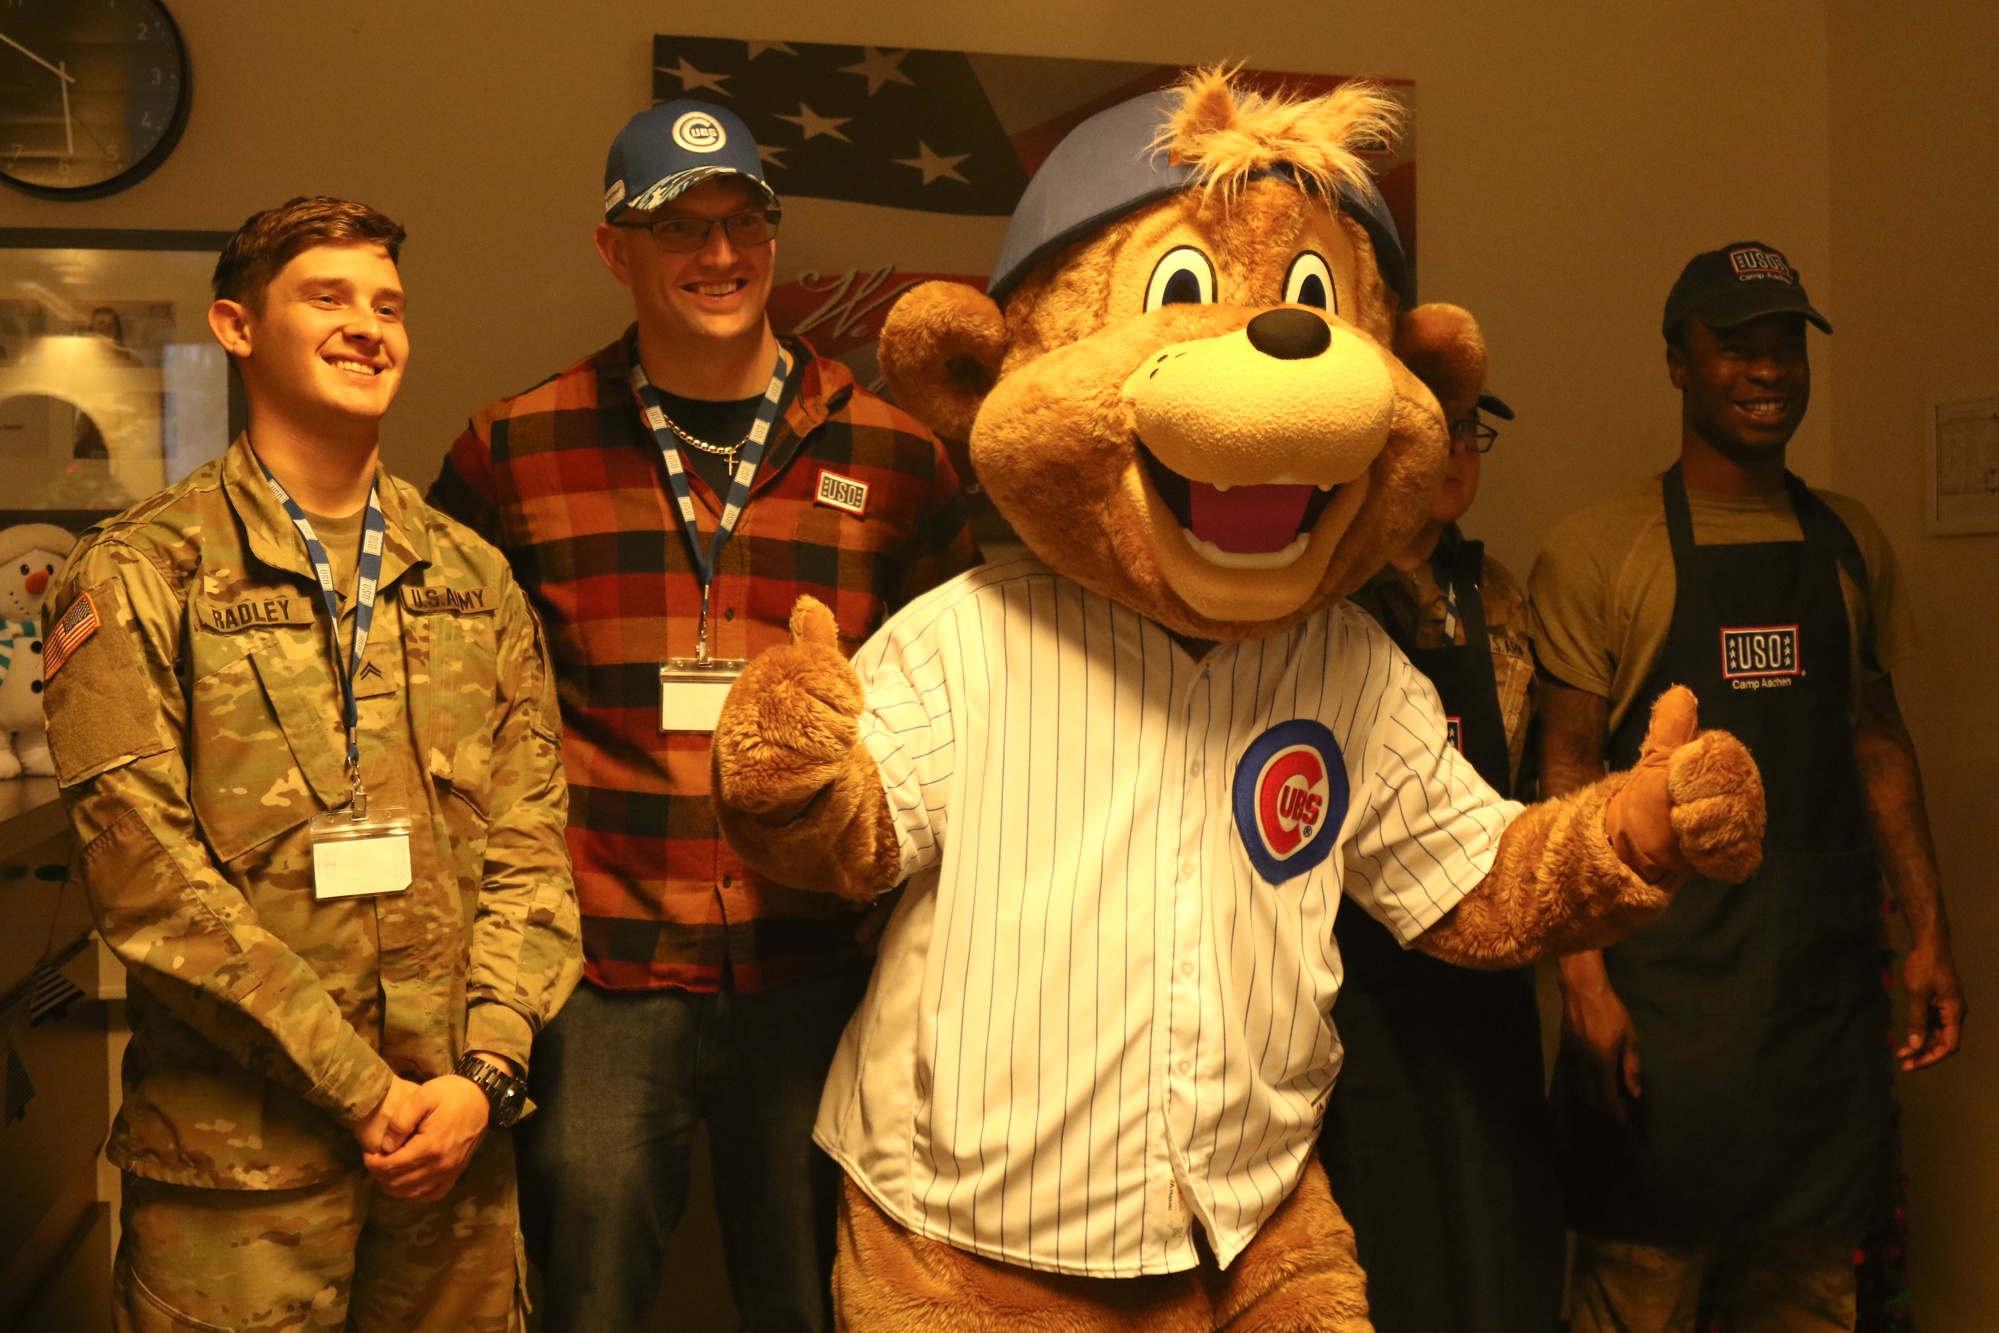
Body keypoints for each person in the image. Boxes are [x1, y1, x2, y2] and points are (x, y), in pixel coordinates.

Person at [427, 100, 979, 1332]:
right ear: (613, 249)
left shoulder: (894, 458)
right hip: (604, 968)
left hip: (817, 969)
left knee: (817, 1296)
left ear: (773, 238)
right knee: (589, 1295)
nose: (718, 256)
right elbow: (448, 710)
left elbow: (964, 716)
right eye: (679, 229)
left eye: (742, 224)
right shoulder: (515, 450)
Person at [41, 196, 581, 1331]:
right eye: (327, 297)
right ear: (236, 327)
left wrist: (485, 1075)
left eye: (387, 304)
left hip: (455, 1165)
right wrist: (366, 1091)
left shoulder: (471, 576)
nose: (366, 325)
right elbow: (146, 885)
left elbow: (534, 849)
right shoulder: (144, 574)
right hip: (238, 1186)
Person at [1529, 242, 1966, 1332]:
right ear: (1677, 363)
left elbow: (1874, 742)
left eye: (1784, 345)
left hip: (1813, 1023)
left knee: (1814, 1304)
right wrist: (1582, 986)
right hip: (1663, 1026)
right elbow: (1565, 776)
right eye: (1735, 347)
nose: (1767, 370)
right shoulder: (1599, 550)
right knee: (1637, 1297)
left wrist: (1926, 929)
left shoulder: (1848, 541)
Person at [1318, 386, 1566, 1333]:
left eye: (1473, 433)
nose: (1459, 451)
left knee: (1498, 1237)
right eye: (1438, 433)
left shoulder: (1498, 592)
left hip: (1490, 977)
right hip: (1360, 980)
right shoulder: (1323, 598)